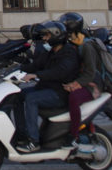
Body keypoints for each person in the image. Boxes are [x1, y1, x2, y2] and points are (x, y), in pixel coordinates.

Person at [13, 21, 79, 153]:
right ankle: (22, 134)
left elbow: (59, 72)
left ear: (56, 35)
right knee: (17, 95)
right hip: (46, 88)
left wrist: (36, 75)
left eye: (47, 36)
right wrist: (17, 70)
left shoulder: (69, 53)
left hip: (59, 93)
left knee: (31, 99)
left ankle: (34, 141)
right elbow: (36, 64)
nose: (44, 39)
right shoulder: (51, 52)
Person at [58, 11, 99, 151]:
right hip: (78, 81)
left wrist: (76, 84)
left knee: (73, 99)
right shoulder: (72, 43)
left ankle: (73, 136)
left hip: (91, 85)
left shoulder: (86, 46)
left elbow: (90, 72)